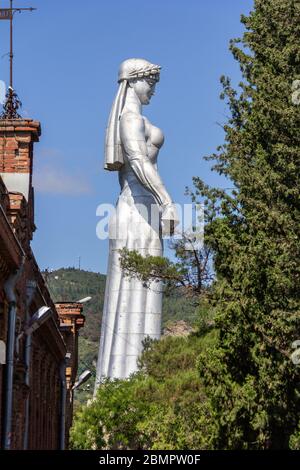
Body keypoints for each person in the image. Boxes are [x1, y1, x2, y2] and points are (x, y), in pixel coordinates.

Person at [94, 58, 178, 389]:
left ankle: (143, 382)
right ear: (133, 81)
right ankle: (122, 383)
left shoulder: (140, 119)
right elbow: (139, 162)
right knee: (129, 296)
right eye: (150, 82)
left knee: (149, 294)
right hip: (134, 212)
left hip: (147, 216)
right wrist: (167, 201)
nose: (154, 90)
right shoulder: (129, 120)